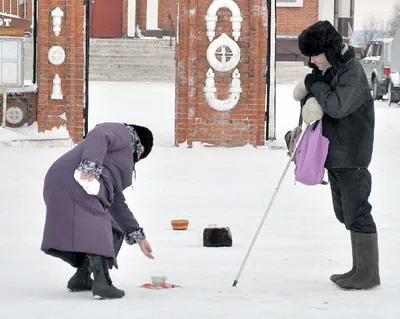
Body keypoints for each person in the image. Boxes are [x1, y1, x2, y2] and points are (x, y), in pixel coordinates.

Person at [292, 20, 380, 290]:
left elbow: (337, 106)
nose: (312, 60)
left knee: (358, 213)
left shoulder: (351, 73)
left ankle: (368, 274)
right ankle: (358, 269)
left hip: (352, 155)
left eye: (315, 54)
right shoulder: (332, 70)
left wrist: (316, 85)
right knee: (345, 214)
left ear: (328, 50)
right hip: (336, 156)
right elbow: (320, 105)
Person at [41, 122, 155, 299]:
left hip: (70, 184)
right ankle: (102, 283)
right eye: (140, 154)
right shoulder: (123, 133)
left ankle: (82, 278)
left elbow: (117, 203)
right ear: (140, 144)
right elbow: (101, 134)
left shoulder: (114, 166)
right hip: (74, 179)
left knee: (113, 230)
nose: (136, 159)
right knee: (98, 228)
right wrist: (91, 165)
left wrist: (138, 236)